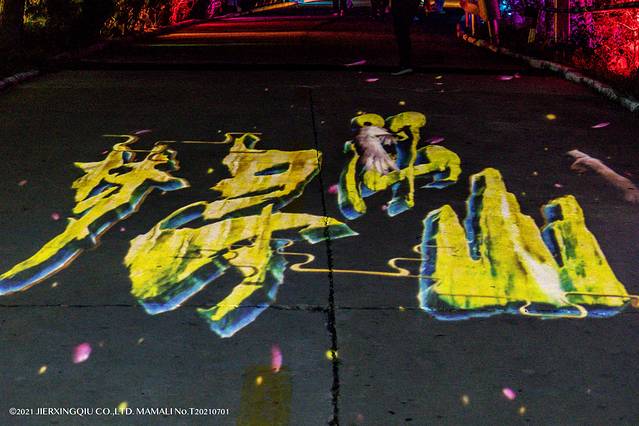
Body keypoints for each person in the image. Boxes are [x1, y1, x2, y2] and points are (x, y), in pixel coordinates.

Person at [391, 0, 421, 75]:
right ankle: (405, 63)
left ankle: (405, 64)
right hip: (405, 7)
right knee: (403, 34)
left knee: (402, 34)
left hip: (403, 7)